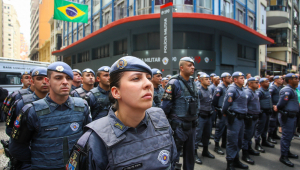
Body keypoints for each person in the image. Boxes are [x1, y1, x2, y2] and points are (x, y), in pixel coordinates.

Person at [67, 56, 177, 169]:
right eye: (136, 78)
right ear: (116, 92)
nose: (148, 84)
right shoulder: (93, 141)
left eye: (148, 78)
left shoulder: (160, 120)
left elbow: (172, 162)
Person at [9, 62, 91, 170]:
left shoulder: (82, 106)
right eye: (58, 78)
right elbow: (17, 147)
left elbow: (88, 140)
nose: (65, 82)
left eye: (68, 78)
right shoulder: (31, 110)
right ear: (48, 81)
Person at [6, 67, 49, 169]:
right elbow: (11, 130)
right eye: (39, 78)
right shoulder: (22, 103)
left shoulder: (58, 103)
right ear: (32, 81)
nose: (44, 82)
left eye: (47, 78)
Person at [162, 57, 199, 170]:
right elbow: (165, 107)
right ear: (181, 67)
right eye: (189, 65)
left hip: (192, 125)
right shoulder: (174, 83)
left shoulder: (193, 82)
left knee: (190, 155)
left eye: (193, 65)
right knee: (175, 155)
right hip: (178, 126)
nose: (193, 67)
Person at [222, 71, 248, 170]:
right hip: (235, 119)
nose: (243, 79)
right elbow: (225, 106)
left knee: (239, 141)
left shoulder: (242, 89)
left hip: (241, 119)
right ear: (235, 79)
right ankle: (230, 164)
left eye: (243, 78)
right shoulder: (232, 89)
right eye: (241, 78)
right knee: (232, 141)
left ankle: (236, 160)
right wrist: (228, 113)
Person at [275, 73, 299, 167]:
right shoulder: (287, 90)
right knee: (286, 136)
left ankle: (287, 152)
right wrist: (278, 108)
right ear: (290, 80)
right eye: (295, 79)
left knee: (289, 136)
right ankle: (283, 156)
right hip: (287, 116)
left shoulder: (292, 89)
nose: (297, 80)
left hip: (292, 116)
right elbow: (281, 104)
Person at [194, 73, 215, 165]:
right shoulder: (198, 91)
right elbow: (195, 105)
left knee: (207, 135)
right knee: (197, 136)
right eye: (206, 79)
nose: (209, 80)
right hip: (201, 117)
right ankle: (194, 154)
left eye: (209, 79)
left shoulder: (209, 89)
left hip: (208, 116)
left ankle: (205, 151)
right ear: (201, 80)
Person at [242, 77, 261, 165]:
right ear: (250, 83)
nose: (258, 84)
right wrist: (247, 116)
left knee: (251, 135)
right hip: (249, 118)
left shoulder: (255, 92)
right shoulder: (247, 92)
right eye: (256, 82)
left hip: (255, 117)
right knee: (246, 136)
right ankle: (245, 154)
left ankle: (249, 149)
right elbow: (244, 106)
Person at [212, 72, 231, 155]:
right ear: (224, 79)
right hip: (220, 110)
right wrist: (217, 108)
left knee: (226, 128)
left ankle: (224, 143)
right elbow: (215, 99)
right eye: (228, 77)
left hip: (226, 110)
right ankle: (216, 145)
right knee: (219, 128)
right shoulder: (220, 88)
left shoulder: (228, 87)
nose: (230, 79)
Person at [255, 78, 275, 153]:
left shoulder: (267, 91)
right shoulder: (259, 92)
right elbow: (257, 102)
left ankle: (264, 141)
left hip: (268, 112)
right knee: (259, 128)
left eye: (268, 81)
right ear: (261, 83)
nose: (268, 83)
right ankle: (257, 144)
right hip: (262, 113)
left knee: (266, 127)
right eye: (266, 82)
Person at [268, 76, 284, 142]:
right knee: (272, 122)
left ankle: (274, 134)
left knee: (276, 122)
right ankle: (269, 136)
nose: (282, 80)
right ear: (276, 80)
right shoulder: (272, 88)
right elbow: (269, 98)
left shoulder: (280, 87)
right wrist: (273, 105)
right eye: (280, 79)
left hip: (278, 107)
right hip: (273, 107)